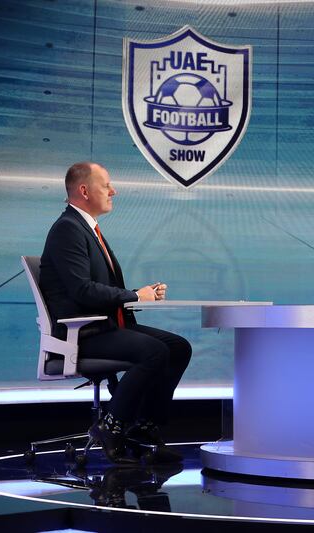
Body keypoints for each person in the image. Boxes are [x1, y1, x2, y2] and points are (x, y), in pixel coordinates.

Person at [39, 162, 191, 464]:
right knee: (154, 353)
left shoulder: (87, 229)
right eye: (106, 185)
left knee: (178, 348)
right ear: (84, 190)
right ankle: (111, 426)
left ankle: (144, 428)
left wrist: (140, 293)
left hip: (103, 325)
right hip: (82, 333)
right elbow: (82, 290)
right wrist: (134, 295)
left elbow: (96, 288)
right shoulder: (67, 229)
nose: (114, 191)